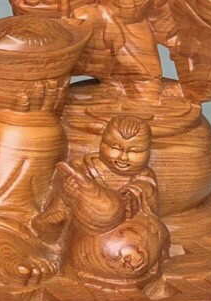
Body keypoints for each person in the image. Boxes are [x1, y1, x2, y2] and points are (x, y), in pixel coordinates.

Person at [35, 114, 169, 288]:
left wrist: (131, 196)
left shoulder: (144, 176)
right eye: (115, 147)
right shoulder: (83, 167)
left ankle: (93, 195)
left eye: (134, 151)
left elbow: (147, 197)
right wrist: (69, 196)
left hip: (130, 240)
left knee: (113, 210)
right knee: (100, 209)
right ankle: (88, 195)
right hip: (88, 240)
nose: (123, 157)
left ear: (148, 151)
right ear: (102, 143)